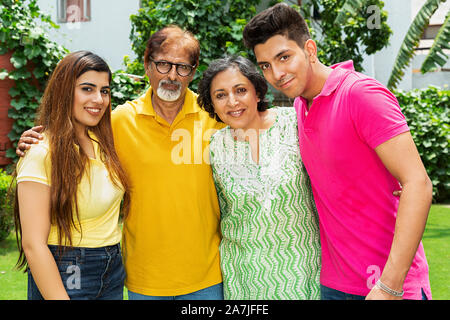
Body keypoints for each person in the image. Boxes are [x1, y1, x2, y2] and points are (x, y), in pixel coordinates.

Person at [16, 25, 225, 300]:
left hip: (206, 276)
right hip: (141, 279)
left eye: (182, 67)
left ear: (194, 71)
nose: (172, 75)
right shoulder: (117, 123)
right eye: (163, 64)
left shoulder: (218, 118)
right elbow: (62, 141)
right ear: (147, 65)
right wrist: (33, 143)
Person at [242, 3, 433, 300]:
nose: (276, 74)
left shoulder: (361, 95)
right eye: (265, 65)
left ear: (310, 49)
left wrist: (389, 285)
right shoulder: (299, 107)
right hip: (334, 285)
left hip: (389, 286)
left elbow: (418, 184)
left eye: (284, 57)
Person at [197, 55, 321, 299]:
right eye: (220, 95)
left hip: (305, 271)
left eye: (240, 90)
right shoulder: (214, 147)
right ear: (212, 103)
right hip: (244, 278)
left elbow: (337, 161)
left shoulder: (293, 123)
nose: (232, 102)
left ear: (257, 92)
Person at [14, 51, 131, 300]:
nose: (98, 99)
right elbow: (33, 245)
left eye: (105, 91)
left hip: (111, 269)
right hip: (67, 269)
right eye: (87, 89)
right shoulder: (42, 152)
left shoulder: (105, 143)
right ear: (64, 90)